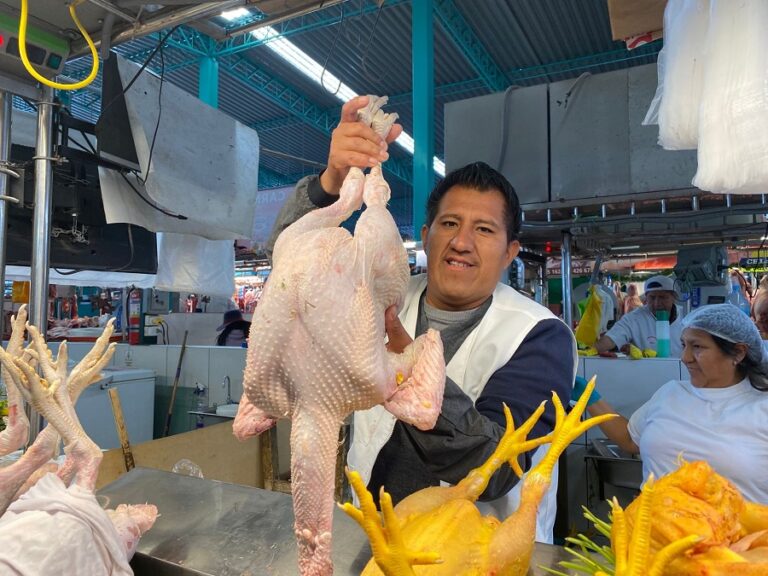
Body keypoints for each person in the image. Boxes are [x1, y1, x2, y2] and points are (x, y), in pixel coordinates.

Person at [268, 95, 577, 543]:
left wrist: (413, 372)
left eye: (485, 230)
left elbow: (496, 467)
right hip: (369, 539)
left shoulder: (539, 336)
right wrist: (332, 180)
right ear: (426, 237)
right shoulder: (380, 295)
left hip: (475, 557)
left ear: (511, 251)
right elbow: (291, 271)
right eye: (449, 224)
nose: (462, 242)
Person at [583, 304, 768, 502]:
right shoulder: (671, 393)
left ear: (738, 352)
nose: (685, 357)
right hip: (652, 530)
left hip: (735, 532)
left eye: (697, 347)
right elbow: (629, 439)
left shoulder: (761, 408)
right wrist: (588, 396)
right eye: (683, 345)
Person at [595, 275, 684, 356]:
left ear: (674, 297)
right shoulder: (634, 318)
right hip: (648, 370)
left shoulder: (686, 316)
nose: (657, 303)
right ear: (646, 297)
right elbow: (612, 338)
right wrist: (593, 350)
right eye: (652, 298)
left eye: (663, 297)